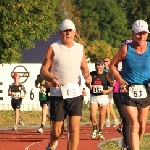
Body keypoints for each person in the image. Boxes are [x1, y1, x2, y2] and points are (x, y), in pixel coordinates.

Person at [40, 19, 92, 150]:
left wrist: (87, 76)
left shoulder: (80, 48)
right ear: (60, 32)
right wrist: (51, 78)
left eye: (70, 31)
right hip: (58, 94)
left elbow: (84, 67)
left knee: (74, 128)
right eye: (65, 31)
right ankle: (52, 144)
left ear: (74, 32)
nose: (68, 33)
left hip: (75, 93)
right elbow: (43, 70)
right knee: (57, 131)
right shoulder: (54, 47)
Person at [109, 20, 150, 150]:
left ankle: (132, 146)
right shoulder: (126, 49)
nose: (141, 37)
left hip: (145, 88)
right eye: (138, 34)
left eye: (144, 33)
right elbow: (111, 65)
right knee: (134, 123)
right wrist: (120, 80)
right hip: (129, 89)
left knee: (143, 125)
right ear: (133, 33)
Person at [87, 60, 113, 140]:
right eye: (97, 68)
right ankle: (94, 128)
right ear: (95, 67)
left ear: (103, 67)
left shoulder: (106, 75)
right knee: (92, 114)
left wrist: (107, 91)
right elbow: (87, 82)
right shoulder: (92, 74)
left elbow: (112, 87)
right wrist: (89, 85)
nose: (99, 70)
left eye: (101, 68)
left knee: (102, 115)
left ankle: (100, 132)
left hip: (103, 97)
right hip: (94, 97)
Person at [103, 57, 119, 127]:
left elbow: (113, 79)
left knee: (108, 104)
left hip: (111, 88)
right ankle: (114, 119)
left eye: (106, 61)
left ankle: (108, 120)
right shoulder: (102, 70)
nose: (104, 62)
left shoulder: (111, 70)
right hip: (105, 89)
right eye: (104, 61)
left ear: (109, 62)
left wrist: (112, 86)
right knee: (108, 105)